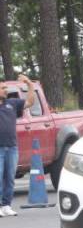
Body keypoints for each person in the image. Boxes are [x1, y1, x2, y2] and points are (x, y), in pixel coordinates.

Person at [0, 74, 35, 217]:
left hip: (12, 147)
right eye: (2, 88)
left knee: (9, 178)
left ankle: (6, 205)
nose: (6, 90)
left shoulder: (12, 103)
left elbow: (30, 102)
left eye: (6, 88)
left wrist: (30, 85)